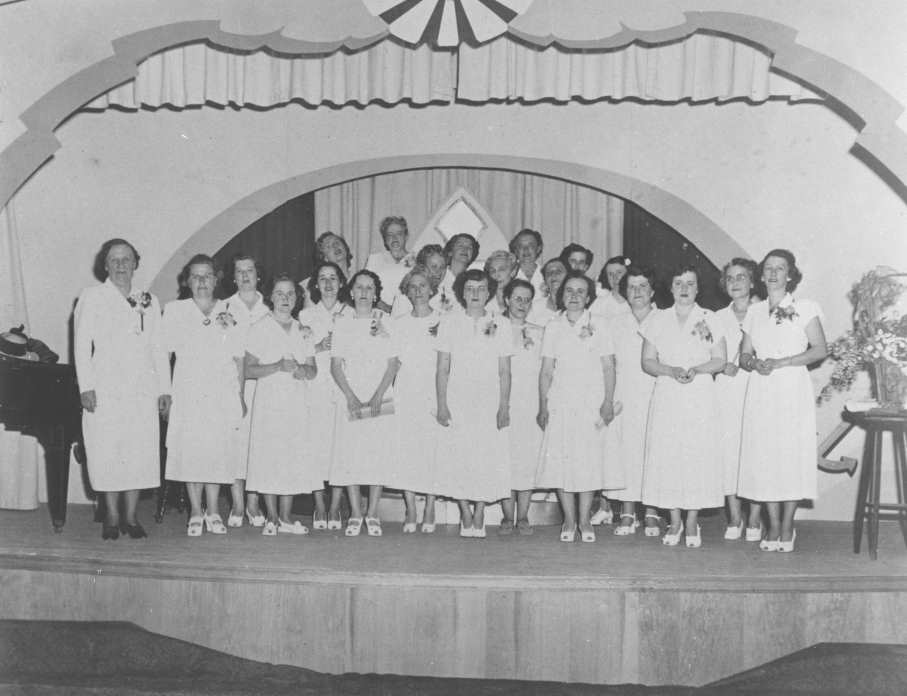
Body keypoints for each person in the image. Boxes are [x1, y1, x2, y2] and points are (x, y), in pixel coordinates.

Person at [74, 239, 170, 540]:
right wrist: (86, 387)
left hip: (142, 388)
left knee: (138, 451)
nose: (120, 265)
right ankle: (112, 517)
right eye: (114, 259)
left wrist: (164, 389)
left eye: (126, 259)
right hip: (105, 387)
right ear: (105, 264)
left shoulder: (149, 300)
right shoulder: (91, 297)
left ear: (135, 263)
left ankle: (131, 516)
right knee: (108, 450)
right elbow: (81, 345)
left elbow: (158, 347)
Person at [738, 249, 827, 553]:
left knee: (790, 456)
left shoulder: (805, 307)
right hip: (761, 391)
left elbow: (819, 350)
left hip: (791, 388)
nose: (774, 273)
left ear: (790, 275)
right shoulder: (754, 311)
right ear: (761, 276)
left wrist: (783, 361)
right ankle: (772, 525)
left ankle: (788, 525)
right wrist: (754, 363)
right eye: (768, 269)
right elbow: (744, 354)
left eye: (780, 268)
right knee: (765, 458)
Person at [640, 266, 726, 548]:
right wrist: (670, 370)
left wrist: (696, 369)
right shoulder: (658, 319)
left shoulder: (709, 318)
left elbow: (720, 360)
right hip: (668, 392)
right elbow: (647, 361)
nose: (684, 288)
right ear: (671, 288)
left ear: (698, 288)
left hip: (699, 393)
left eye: (690, 283)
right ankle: (674, 520)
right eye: (679, 283)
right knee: (668, 456)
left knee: (696, 455)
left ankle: (691, 521)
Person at [162, 254, 245, 537]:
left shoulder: (230, 308)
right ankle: (196, 511)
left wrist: (240, 394)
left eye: (206, 276)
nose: (201, 282)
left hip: (222, 392)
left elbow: (239, 358)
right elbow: (164, 354)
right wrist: (166, 393)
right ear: (187, 281)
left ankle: (214, 510)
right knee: (191, 450)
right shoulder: (175, 310)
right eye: (195, 276)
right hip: (188, 392)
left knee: (217, 450)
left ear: (216, 279)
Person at [536, 271, 620, 543]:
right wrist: (542, 404)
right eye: (569, 291)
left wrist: (607, 402)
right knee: (561, 461)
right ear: (561, 295)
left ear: (588, 297)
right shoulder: (553, 326)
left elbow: (609, 366)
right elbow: (546, 370)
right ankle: (569, 521)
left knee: (587, 462)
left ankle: (585, 520)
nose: (574, 296)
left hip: (590, 402)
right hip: (561, 402)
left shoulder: (601, 324)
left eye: (580, 291)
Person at [435, 268, 512, 538]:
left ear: (489, 292)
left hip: (488, 400)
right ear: (461, 293)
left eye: (481, 289)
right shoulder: (450, 322)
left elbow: (505, 371)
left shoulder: (501, 324)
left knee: (485, 456)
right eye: (469, 289)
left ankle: (479, 510)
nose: (475, 294)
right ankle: (465, 511)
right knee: (459, 455)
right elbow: (442, 368)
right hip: (458, 398)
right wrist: (442, 405)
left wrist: (504, 406)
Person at [244, 275, 319, 536]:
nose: (285, 299)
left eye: (290, 294)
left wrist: (303, 370)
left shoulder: (303, 329)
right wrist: (277, 366)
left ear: (297, 299)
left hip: (296, 403)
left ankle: (286, 517)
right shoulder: (260, 328)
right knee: (269, 458)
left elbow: (314, 370)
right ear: (271, 297)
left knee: (290, 458)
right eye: (280, 294)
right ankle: (271, 517)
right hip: (270, 403)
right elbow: (247, 369)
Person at [330, 270, 400, 537]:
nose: (363, 292)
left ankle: (372, 513)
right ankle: (356, 514)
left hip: (380, 394)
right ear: (351, 291)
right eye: (359, 287)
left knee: (376, 453)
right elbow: (336, 366)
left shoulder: (387, 323)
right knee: (350, 454)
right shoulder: (342, 324)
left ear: (376, 293)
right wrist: (351, 397)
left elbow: (393, 364)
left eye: (369, 288)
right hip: (351, 395)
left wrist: (378, 396)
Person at [605, 265, 661, 537]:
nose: (637, 292)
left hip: (656, 393)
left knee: (652, 452)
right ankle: (627, 511)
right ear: (625, 293)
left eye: (642, 286)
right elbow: (609, 365)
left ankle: (651, 511)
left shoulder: (665, 320)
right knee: (627, 453)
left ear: (652, 291)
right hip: (625, 396)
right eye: (631, 287)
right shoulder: (615, 324)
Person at [299, 261, 353, 530]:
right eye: (323, 278)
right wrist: (319, 346)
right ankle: (319, 505)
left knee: (341, 449)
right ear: (316, 285)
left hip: (344, 390)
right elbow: (299, 353)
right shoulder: (306, 316)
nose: (329, 283)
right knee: (316, 449)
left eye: (333, 278)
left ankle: (335, 507)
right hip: (316, 389)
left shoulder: (352, 313)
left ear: (342, 282)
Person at [392, 265, 442, 533]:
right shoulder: (398, 324)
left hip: (433, 392)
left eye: (423, 285)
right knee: (407, 451)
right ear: (407, 292)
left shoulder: (444, 321)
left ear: (432, 289)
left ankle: (430, 506)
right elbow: (393, 364)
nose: (419, 291)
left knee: (431, 450)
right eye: (413, 287)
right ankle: (411, 507)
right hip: (406, 393)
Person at [714, 258, 760, 541]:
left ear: (752, 281)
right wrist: (720, 365)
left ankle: (755, 517)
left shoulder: (767, 313)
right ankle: (734, 516)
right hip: (727, 392)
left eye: (741, 277)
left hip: (758, 389)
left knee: (755, 453)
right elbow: (701, 352)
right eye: (730, 278)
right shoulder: (715, 318)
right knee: (728, 453)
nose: (736, 283)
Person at [223, 254, 270, 527]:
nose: (244, 276)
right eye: (239, 271)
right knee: (236, 444)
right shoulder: (225, 307)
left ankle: (254, 503)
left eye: (249, 271)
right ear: (233, 277)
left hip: (263, 385)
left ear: (257, 274)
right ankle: (237, 504)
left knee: (258, 443)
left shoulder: (271, 306)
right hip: (233, 385)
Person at [589, 254, 633, 525]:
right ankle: (604, 505)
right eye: (612, 273)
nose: (616, 278)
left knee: (629, 443)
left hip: (633, 379)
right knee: (606, 441)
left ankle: (631, 507)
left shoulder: (637, 301)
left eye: (620, 273)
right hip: (607, 376)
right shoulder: (600, 304)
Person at [499, 278, 543, 536]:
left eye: (527, 300)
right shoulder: (493, 327)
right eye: (517, 298)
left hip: (530, 403)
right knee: (505, 458)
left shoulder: (539, 332)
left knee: (526, 458)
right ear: (506, 299)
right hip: (503, 402)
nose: (522, 304)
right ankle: (506, 516)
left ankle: (523, 516)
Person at [366, 216, 414, 312]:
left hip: (409, 314)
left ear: (406, 236)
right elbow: (366, 288)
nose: (394, 238)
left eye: (399, 234)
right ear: (385, 239)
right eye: (390, 235)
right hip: (380, 312)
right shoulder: (374, 259)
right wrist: (388, 309)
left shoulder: (418, 260)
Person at [301, 232, 353, 308]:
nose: (335, 246)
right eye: (329, 246)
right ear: (324, 257)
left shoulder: (358, 280)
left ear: (345, 247)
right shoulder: (310, 285)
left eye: (337, 242)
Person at [526, 258, 567, 327]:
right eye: (549, 273)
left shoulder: (576, 305)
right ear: (545, 280)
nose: (553, 275)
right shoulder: (534, 307)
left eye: (558, 272)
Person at [510, 228, 546, 302]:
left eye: (531, 245)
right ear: (516, 251)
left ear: (538, 248)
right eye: (521, 246)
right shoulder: (509, 275)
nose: (526, 250)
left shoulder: (546, 274)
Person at [416, 244, 453, 314]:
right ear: (422, 268)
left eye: (442, 267)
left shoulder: (451, 298)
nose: (439, 272)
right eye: (434, 267)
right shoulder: (405, 298)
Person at [484, 250, 518, 315]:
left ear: (513, 272)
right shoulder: (483, 300)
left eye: (502, 269)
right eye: (492, 271)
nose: (497, 275)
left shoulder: (521, 299)